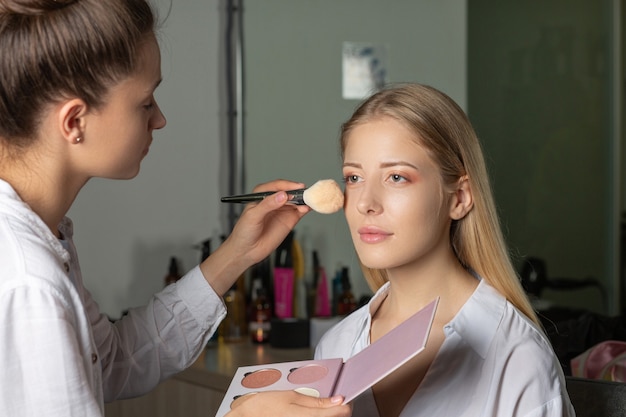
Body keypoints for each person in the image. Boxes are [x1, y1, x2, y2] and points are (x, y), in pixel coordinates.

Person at [0, 1, 350, 417]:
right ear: (74, 121)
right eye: (145, 103)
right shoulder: (26, 281)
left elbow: (112, 362)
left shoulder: (43, 238)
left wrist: (237, 254)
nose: (160, 119)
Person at [314, 83, 575, 417]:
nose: (366, 203)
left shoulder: (516, 357)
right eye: (353, 178)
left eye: (396, 177)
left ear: (459, 198)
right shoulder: (335, 347)